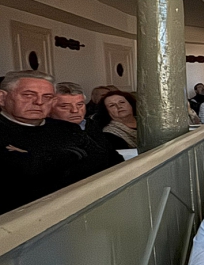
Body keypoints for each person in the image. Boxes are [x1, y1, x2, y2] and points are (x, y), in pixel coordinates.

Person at [0, 71, 122, 214]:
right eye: (28, 95)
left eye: (47, 96)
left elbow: (108, 161)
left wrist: (40, 160)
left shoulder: (68, 128)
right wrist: (75, 155)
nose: (39, 102)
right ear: (2, 98)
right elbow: (22, 176)